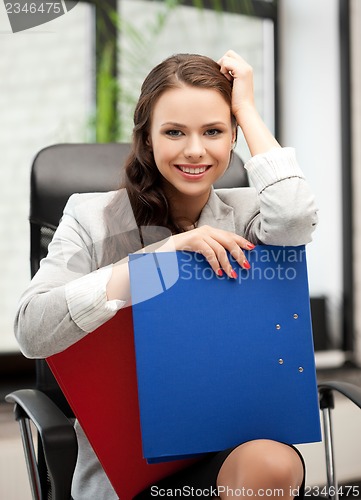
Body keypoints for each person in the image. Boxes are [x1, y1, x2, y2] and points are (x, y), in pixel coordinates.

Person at [15, 50, 318, 499]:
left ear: (233, 136)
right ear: (147, 138)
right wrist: (160, 260)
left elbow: (294, 216)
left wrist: (247, 108)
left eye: (213, 131)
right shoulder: (91, 217)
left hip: (232, 448)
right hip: (130, 470)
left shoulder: (252, 214)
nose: (194, 150)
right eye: (174, 132)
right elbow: (31, 330)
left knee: (272, 464)